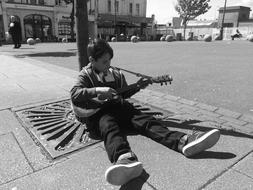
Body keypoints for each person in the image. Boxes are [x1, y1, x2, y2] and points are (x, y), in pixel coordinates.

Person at [70, 39, 220, 186]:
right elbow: (75, 93)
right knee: (109, 127)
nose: (108, 64)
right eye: (104, 62)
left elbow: (123, 94)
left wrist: (139, 86)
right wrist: (97, 90)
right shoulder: (85, 75)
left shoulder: (114, 73)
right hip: (100, 113)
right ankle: (124, 159)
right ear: (92, 60)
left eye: (109, 60)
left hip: (119, 107)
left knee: (145, 121)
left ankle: (183, 141)